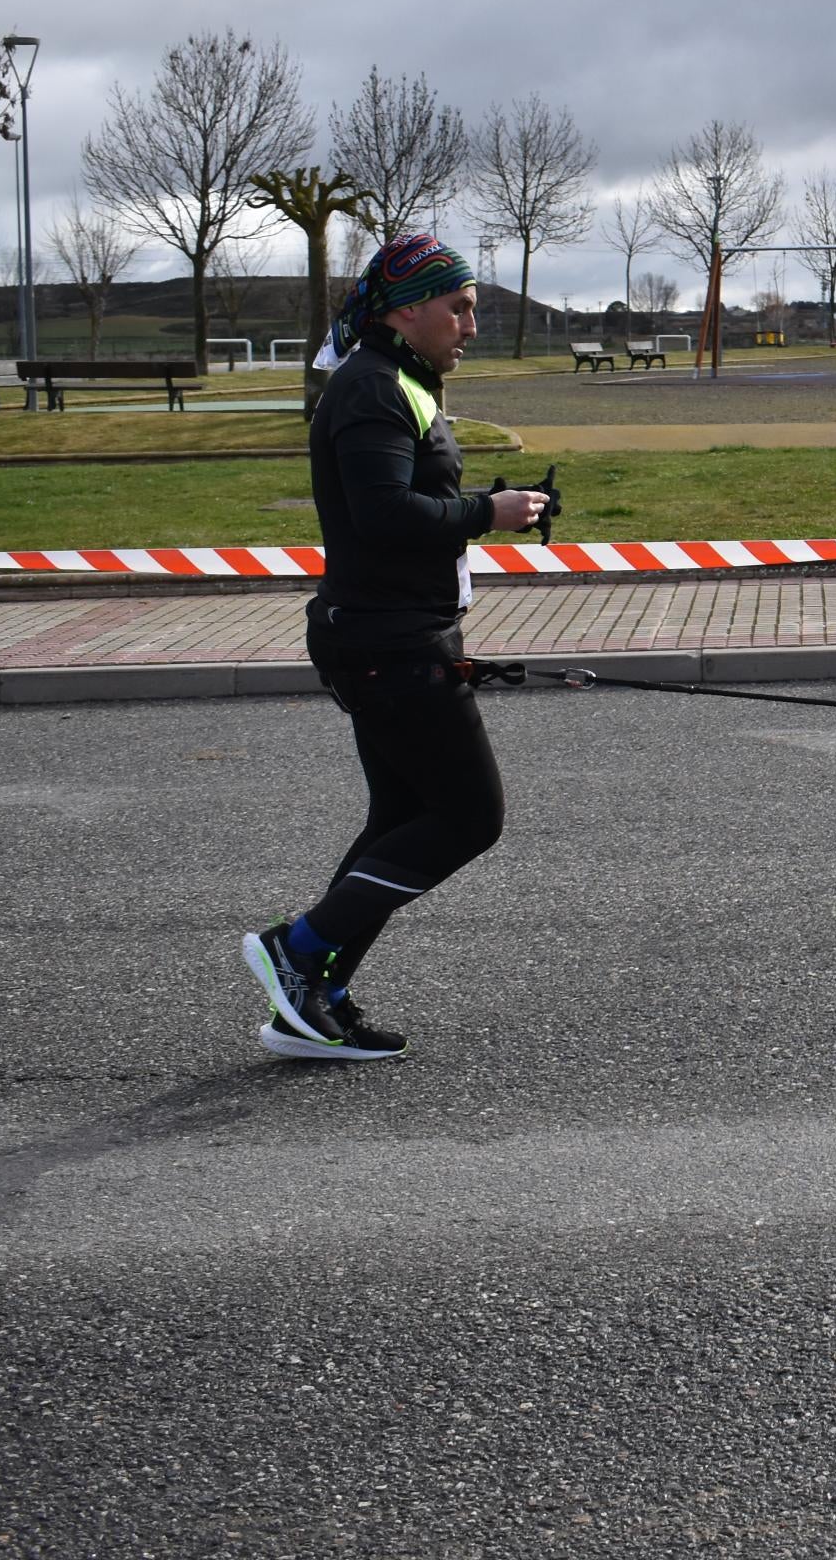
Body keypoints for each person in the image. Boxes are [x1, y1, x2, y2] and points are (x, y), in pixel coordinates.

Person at [238, 233, 545, 1060]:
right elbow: (383, 517)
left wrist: (487, 506)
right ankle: (296, 952)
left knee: (401, 818)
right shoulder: (373, 388)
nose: (470, 325)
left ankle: (314, 998)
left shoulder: (398, 380)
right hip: (390, 645)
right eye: (459, 307)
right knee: (468, 818)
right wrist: (491, 512)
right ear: (407, 310)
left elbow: (404, 506)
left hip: (393, 636)